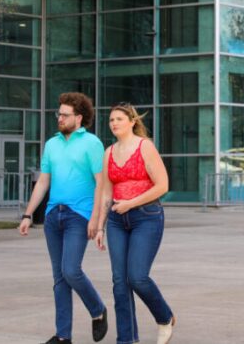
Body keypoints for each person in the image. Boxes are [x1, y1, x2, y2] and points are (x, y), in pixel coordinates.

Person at [19, 92, 108, 344]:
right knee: (59, 278)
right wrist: (28, 214)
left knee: (71, 270)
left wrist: (96, 219)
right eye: (58, 114)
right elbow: (43, 180)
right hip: (53, 216)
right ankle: (63, 336)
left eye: (65, 115)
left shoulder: (92, 143)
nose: (60, 118)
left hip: (78, 215)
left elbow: (101, 183)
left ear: (78, 118)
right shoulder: (52, 144)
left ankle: (98, 309)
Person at [95, 103, 176, 344]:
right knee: (119, 282)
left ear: (132, 121)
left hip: (146, 217)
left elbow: (162, 186)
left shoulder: (145, 147)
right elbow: (106, 194)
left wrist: (131, 203)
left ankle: (165, 317)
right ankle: (126, 339)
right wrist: (100, 226)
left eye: (119, 118)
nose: (114, 123)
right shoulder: (108, 152)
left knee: (137, 277)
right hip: (117, 221)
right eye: (111, 120)